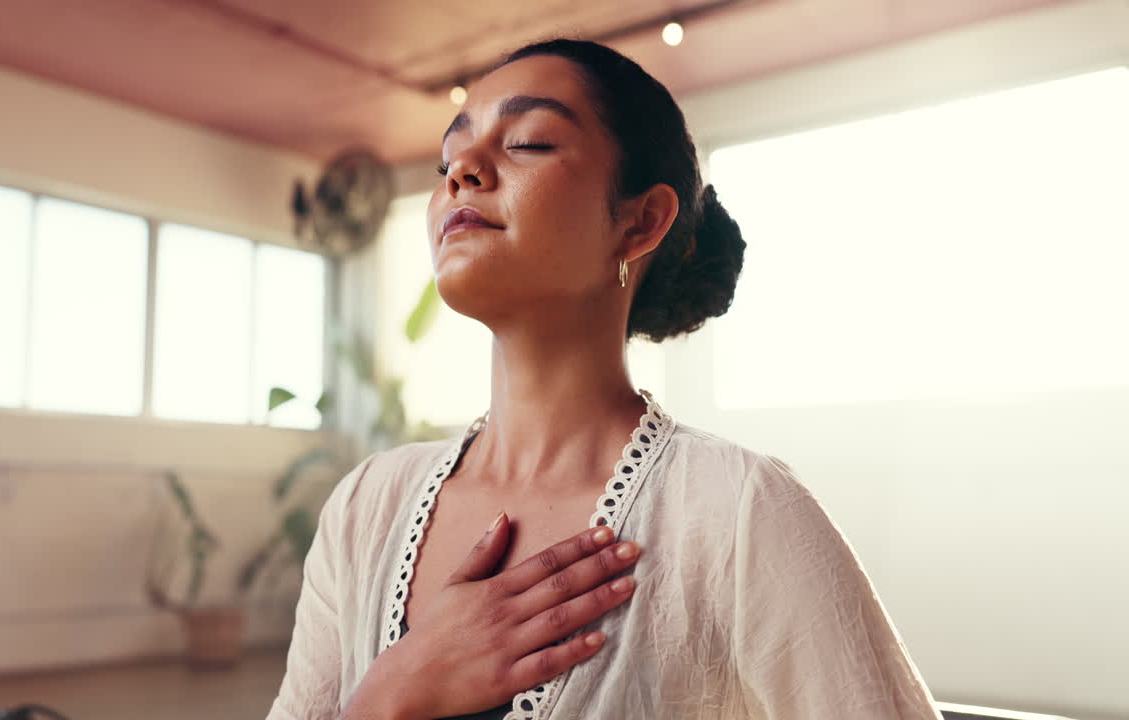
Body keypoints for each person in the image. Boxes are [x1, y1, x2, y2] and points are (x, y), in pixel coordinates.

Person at [267, 38, 943, 720]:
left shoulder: (736, 511)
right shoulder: (366, 507)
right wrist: (389, 695)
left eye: (528, 142)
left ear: (640, 221)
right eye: (449, 156)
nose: (462, 171)